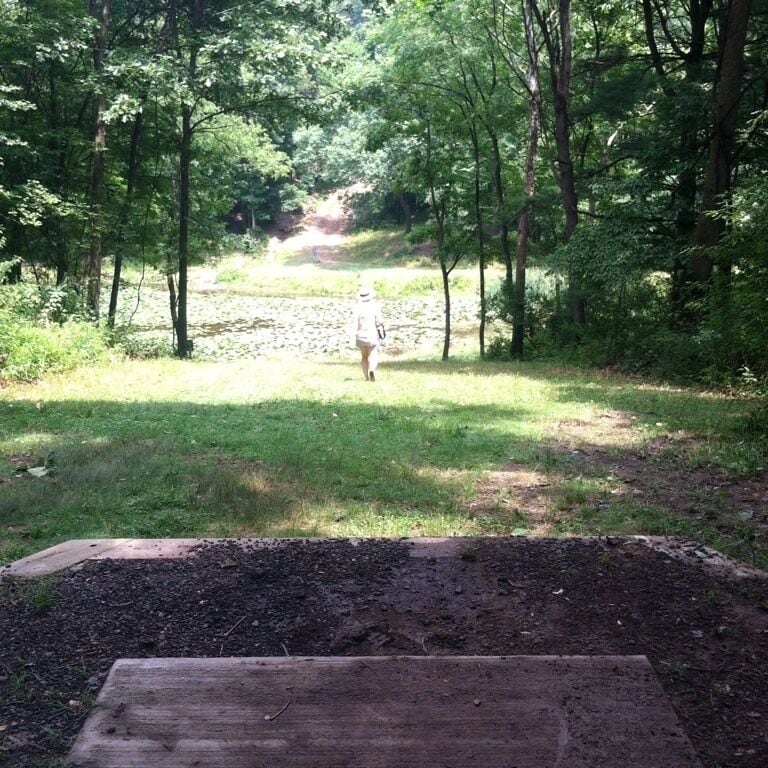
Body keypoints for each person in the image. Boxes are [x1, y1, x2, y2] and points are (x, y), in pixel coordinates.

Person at [352, 285, 385, 381]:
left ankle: (366, 378)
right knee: (373, 354)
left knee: (364, 357)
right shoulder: (374, 306)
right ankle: (372, 369)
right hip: (372, 334)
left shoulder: (357, 307)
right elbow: (380, 321)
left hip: (360, 335)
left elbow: (354, 322)